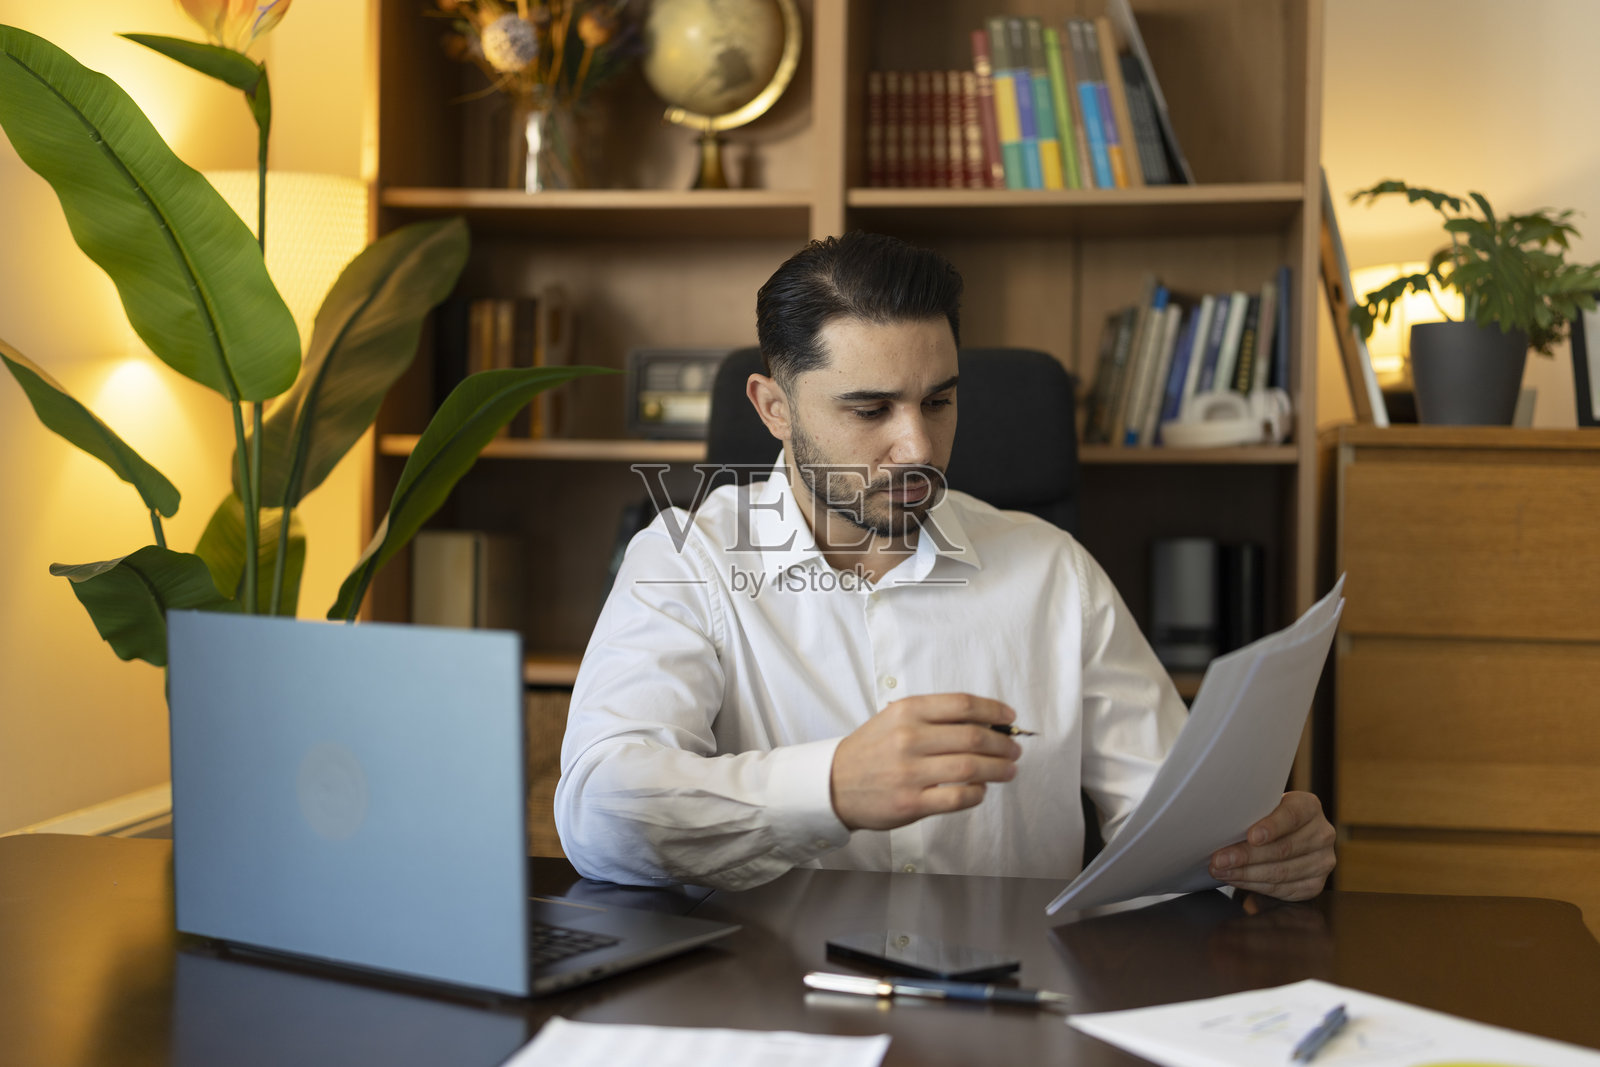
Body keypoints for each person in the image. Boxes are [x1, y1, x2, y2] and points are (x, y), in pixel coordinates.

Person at [554, 231, 1335, 899]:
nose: (919, 448)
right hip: (776, 1012)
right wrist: (829, 787)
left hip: (1015, 1017)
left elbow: (1168, 826)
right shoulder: (689, 558)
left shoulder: (1053, 572)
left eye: (939, 402)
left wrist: (1258, 851)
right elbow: (599, 811)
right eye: (870, 410)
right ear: (774, 408)